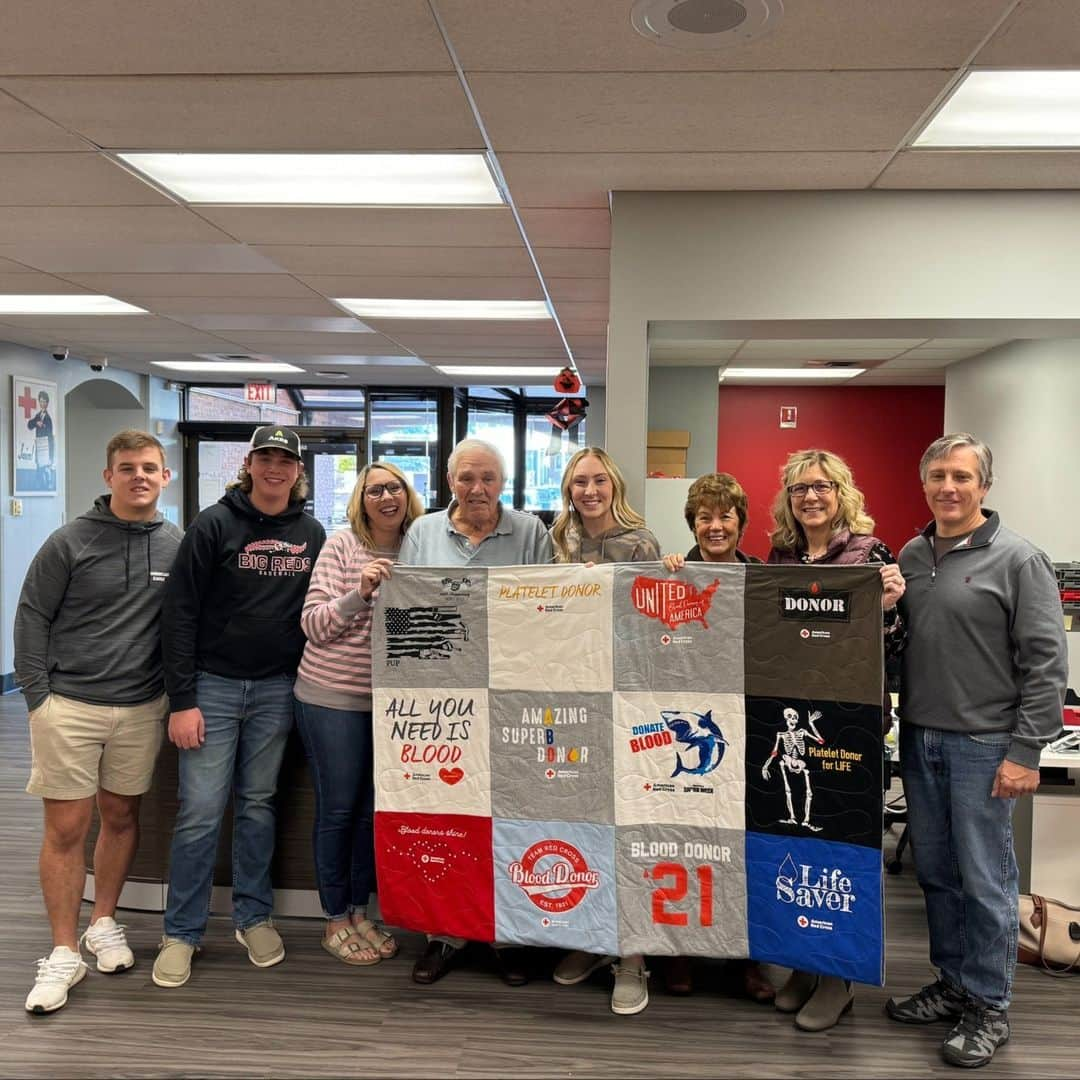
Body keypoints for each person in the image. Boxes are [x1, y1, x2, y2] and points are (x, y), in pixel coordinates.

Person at [886, 434, 1067, 1069]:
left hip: (987, 744)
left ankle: (990, 1005)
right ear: (925, 482)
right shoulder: (909, 555)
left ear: (983, 486)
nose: (949, 487)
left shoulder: (1020, 559)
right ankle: (954, 983)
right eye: (937, 475)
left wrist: (1026, 750)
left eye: (961, 476)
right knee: (937, 872)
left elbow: (1046, 663)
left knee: (987, 878)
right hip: (919, 735)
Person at [153, 426, 325, 989]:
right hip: (213, 688)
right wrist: (183, 700)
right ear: (249, 464)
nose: (275, 468)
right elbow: (178, 614)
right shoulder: (213, 524)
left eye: (286, 460)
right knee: (200, 812)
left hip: (278, 689)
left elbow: (317, 612)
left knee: (257, 806)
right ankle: (182, 931)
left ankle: (253, 917)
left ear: (299, 471)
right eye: (266, 458)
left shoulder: (312, 533)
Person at [15, 430, 181, 1013]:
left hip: (141, 706)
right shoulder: (69, 542)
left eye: (150, 468)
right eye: (127, 467)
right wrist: (40, 699)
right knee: (66, 827)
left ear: (167, 478)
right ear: (108, 477)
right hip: (70, 705)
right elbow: (32, 618)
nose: (139, 476)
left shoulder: (175, 544)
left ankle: (103, 922)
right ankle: (63, 951)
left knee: (121, 815)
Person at [399, 437, 552, 986]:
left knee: (510, 816)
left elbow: (548, 612)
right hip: (443, 700)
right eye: (467, 478)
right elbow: (409, 609)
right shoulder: (421, 533)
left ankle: (507, 937)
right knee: (447, 820)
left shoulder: (532, 531)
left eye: (488, 478)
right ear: (449, 482)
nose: (477, 489)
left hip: (513, 695)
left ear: (503, 483)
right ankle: (445, 933)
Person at [766, 449, 906, 1032]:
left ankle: (838, 977)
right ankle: (802, 961)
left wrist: (892, 606)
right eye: (799, 489)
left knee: (841, 848)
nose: (810, 497)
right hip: (789, 714)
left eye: (821, 486)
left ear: (841, 492)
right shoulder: (782, 555)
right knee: (792, 842)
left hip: (847, 723)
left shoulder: (870, 555)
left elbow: (896, 646)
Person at [294, 461, 423, 967]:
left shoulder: (421, 545)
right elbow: (313, 625)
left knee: (374, 815)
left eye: (394, 488)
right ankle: (335, 917)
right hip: (333, 698)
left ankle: (360, 910)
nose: (385, 497)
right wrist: (360, 593)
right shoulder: (342, 545)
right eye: (374, 491)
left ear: (407, 495)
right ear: (360, 500)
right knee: (339, 810)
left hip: (395, 705)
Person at [549, 447, 661, 1015]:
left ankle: (633, 959)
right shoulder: (559, 539)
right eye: (578, 482)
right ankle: (592, 941)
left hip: (627, 699)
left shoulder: (641, 542)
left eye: (597, 481)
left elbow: (652, 623)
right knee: (584, 826)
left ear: (612, 484)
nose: (588, 490)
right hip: (574, 695)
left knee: (630, 830)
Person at [661, 472, 775, 1005]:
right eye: (704, 517)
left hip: (746, 724)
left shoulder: (764, 578)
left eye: (725, 515)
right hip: (690, 723)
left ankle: (746, 959)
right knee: (685, 837)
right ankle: (679, 950)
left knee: (743, 843)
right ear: (692, 524)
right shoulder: (672, 576)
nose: (715, 526)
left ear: (740, 523)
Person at [27, 390, 56, 490]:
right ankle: (39, 487)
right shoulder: (38, 416)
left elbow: (50, 437)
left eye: (44, 401)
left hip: (46, 448)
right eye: (41, 401)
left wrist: (51, 455)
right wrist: (36, 423)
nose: (42, 403)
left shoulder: (48, 419)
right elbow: (29, 425)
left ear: (47, 403)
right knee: (39, 468)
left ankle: (46, 486)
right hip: (39, 446)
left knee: (45, 469)